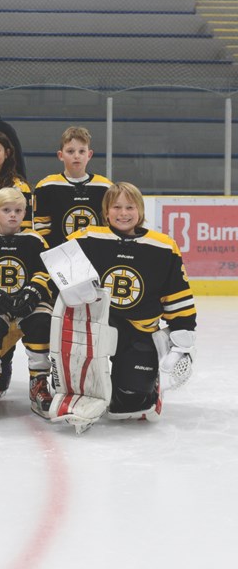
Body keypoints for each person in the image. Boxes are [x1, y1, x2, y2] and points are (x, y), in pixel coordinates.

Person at [51, 182, 197, 432]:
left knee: (129, 406)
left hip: (138, 329)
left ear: (140, 210)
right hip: (93, 327)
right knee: (80, 392)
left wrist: (182, 339)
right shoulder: (87, 237)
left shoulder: (163, 247)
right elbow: (54, 265)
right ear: (106, 212)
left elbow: (177, 295)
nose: (123, 213)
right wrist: (70, 285)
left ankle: (148, 384)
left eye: (130, 207)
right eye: (116, 207)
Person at [0, 188, 53, 420]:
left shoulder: (35, 240)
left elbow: (44, 274)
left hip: (28, 302)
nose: (13, 215)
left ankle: (39, 382)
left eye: (18, 210)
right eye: (7, 210)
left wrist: (32, 292)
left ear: (26, 212)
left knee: (42, 321)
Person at [33, 126, 113, 248]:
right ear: (60, 155)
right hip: (59, 258)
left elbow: (109, 227)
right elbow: (42, 230)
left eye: (82, 151)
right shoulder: (46, 187)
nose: (77, 156)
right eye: (70, 151)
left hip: (95, 256)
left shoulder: (105, 187)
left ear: (89, 155)